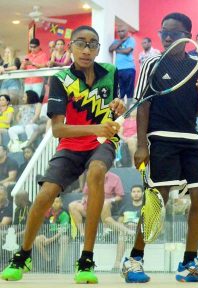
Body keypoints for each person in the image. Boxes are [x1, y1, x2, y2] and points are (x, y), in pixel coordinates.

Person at [1, 25, 125, 283]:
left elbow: (114, 111)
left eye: (93, 44)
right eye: (81, 43)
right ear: (69, 48)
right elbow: (57, 129)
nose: (87, 49)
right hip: (70, 144)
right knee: (45, 194)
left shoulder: (110, 73)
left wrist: (118, 106)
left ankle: (86, 259)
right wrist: (95, 126)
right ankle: (23, 255)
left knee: (97, 170)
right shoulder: (60, 79)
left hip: (102, 140)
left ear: (99, 49)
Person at [121, 13, 198, 283]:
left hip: (190, 138)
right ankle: (134, 260)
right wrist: (142, 144)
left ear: (188, 36)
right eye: (163, 32)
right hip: (161, 137)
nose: (166, 37)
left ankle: (189, 265)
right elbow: (143, 104)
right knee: (158, 199)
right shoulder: (151, 63)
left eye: (173, 33)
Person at [69, 171, 125, 237]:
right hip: (90, 205)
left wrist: (109, 200)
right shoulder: (90, 176)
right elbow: (85, 194)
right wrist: (85, 199)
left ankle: (106, 232)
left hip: (106, 205)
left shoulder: (115, 178)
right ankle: (82, 234)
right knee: (72, 205)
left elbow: (120, 196)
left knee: (104, 203)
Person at [111, 185, 143, 271]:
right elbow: (119, 223)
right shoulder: (125, 207)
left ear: (142, 193)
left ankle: (135, 264)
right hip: (126, 232)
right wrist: (126, 228)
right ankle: (117, 262)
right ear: (131, 194)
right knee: (122, 233)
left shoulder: (145, 208)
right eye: (134, 192)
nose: (136, 194)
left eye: (138, 191)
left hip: (140, 232)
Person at [34, 197, 70, 273]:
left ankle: (59, 266)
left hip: (60, 234)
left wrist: (50, 240)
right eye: (53, 202)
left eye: (57, 202)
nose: (55, 203)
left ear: (61, 204)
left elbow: (63, 230)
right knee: (37, 239)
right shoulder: (47, 213)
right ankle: (49, 261)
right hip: (49, 233)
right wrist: (42, 235)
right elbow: (41, 226)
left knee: (64, 239)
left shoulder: (64, 214)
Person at [109, 25, 136, 102]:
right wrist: (121, 41)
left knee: (129, 92)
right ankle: (121, 111)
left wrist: (116, 49)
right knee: (120, 92)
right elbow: (110, 49)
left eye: (123, 31)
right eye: (119, 31)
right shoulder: (116, 41)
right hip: (118, 69)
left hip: (129, 68)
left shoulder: (131, 40)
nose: (120, 33)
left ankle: (128, 111)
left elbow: (127, 51)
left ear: (127, 32)